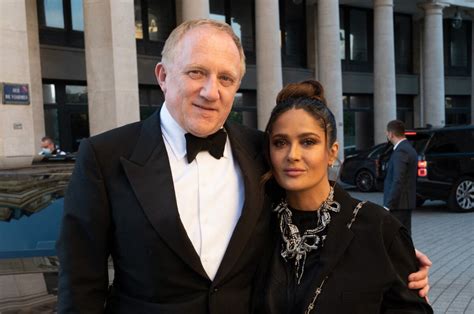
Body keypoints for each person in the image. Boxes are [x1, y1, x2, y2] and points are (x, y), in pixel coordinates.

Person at [56, 19, 430, 313]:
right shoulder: (104, 156)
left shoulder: (259, 148)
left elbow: (316, 205)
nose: (210, 91)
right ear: (163, 76)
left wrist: (391, 254)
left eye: (225, 78)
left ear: (237, 87)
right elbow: (80, 287)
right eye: (196, 72)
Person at [261, 80, 432, 313]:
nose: (293, 154)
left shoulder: (378, 229)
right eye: (280, 142)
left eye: (308, 142)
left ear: (332, 153)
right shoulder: (256, 227)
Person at [384, 120, 418, 234]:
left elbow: (398, 180)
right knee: (404, 238)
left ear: (391, 134)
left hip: (398, 205)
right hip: (405, 203)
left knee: (395, 239)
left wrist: (388, 205)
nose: (387, 135)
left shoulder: (401, 151)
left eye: (387, 133)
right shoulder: (409, 148)